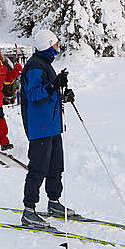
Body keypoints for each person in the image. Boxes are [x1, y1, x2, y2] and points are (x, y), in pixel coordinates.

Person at [18, 30, 76, 228]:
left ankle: (54, 202)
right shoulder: (35, 66)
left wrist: (63, 94)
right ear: (48, 46)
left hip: (52, 125)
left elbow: (48, 92)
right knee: (38, 168)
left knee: (55, 166)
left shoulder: (45, 65)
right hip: (40, 127)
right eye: (56, 45)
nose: (58, 48)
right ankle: (29, 211)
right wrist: (53, 86)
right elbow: (34, 94)